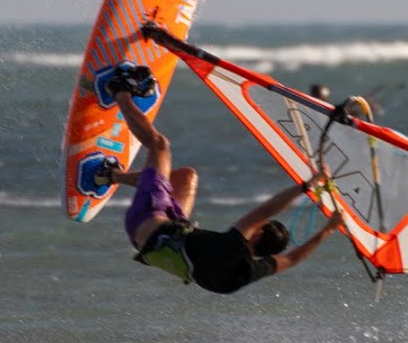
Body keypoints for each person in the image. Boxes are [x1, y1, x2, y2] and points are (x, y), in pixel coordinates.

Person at [94, 62, 343, 294]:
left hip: (147, 220)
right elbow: (292, 259)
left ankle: (119, 89)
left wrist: (308, 186)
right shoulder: (246, 273)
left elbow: (268, 209)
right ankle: (109, 175)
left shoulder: (235, 243)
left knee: (160, 146)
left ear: (257, 234)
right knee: (186, 177)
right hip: (159, 239)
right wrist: (327, 231)